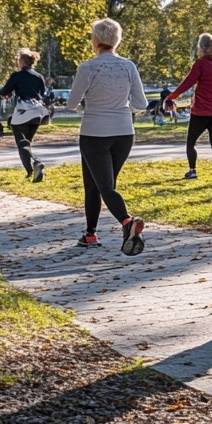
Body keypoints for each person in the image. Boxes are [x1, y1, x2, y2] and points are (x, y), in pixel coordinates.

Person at [67, 18, 149, 255]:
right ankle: (90, 234)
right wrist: (121, 109)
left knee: (104, 186)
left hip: (94, 133)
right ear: (117, 40)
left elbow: (72, 103)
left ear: (95, 39)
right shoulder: (128, 66)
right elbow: (141, 103)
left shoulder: (87, 67)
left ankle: (127, 222)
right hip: (123, 133)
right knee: (94, 183)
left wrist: (87, 108)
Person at [165, 32, 212, 180]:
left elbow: (188, 83)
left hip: (201, 112)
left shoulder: (200, 64)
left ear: (201, 48)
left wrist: (172, 96)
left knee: (191, 142)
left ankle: (192, 171)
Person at [0, 48, 48, 183]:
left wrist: (6, 93)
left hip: (23, 111)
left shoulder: (17, 75)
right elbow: (42, 93)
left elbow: (4, 91)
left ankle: (36, 162)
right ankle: (30, 172)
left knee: (21, 142)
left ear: (22, 61)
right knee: (27, 143)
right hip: (37, 112)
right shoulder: (39, 76)